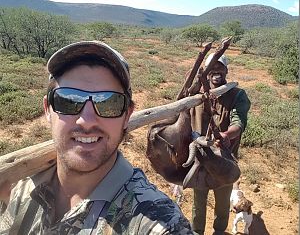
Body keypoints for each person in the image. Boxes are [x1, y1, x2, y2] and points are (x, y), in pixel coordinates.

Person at [0, 41, 193, 234]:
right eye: (69, 100)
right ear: (47, 110)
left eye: (108, 103)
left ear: (127, 115)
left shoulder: (156, 221)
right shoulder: (15, 187)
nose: (86, 121)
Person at [190, 53, 251, 235]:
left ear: (227, 70)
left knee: (223, 203)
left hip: (224, 160)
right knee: (198, 203)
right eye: (212, 69)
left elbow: (238, 122)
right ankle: (196, 232)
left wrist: (226, 134)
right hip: (200, 160)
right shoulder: (197, 94)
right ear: (206, 72)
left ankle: (219, 231)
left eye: (220, 68)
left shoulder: (237, 94)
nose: (216, 72)